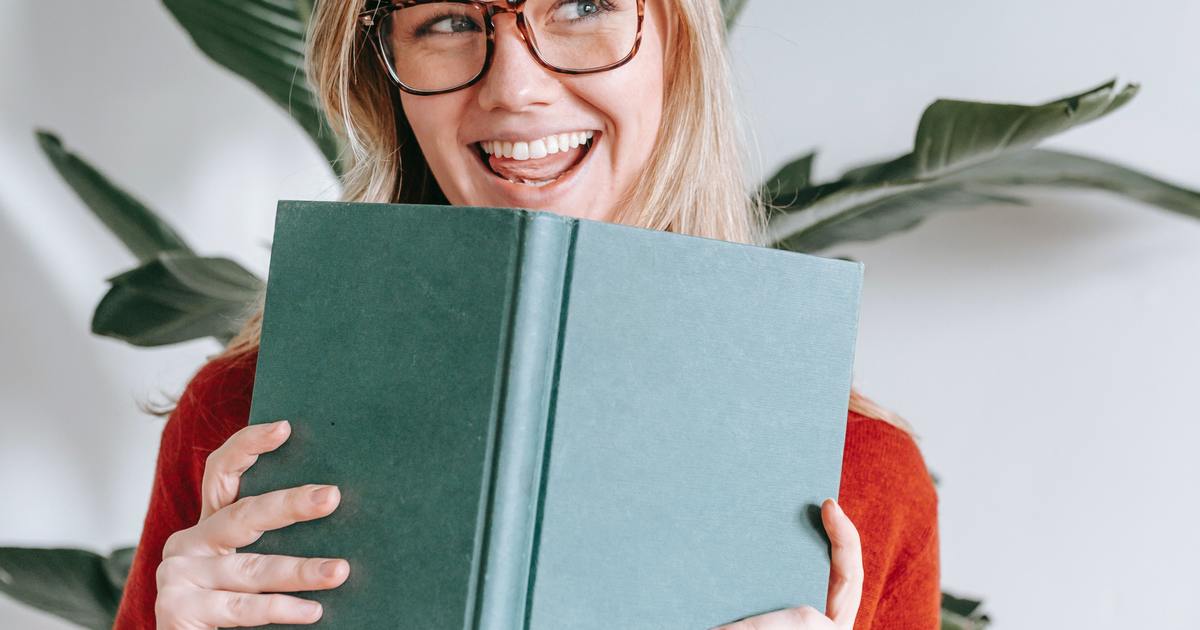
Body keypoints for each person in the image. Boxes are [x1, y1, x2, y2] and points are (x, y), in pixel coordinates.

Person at [114, 0, 940, 628]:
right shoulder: (240, 421)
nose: (513, 88)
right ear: (382, 71)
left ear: (678, 40)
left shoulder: (860, 477)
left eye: (581, 4)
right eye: (445, 19)